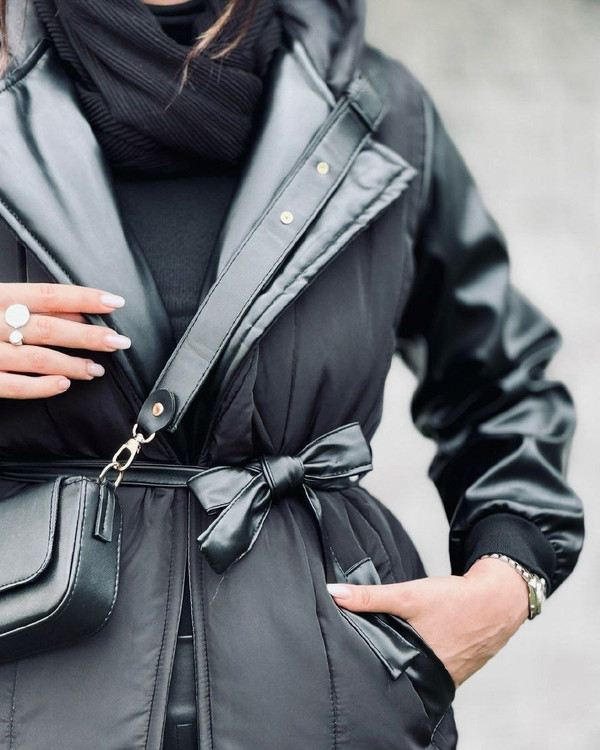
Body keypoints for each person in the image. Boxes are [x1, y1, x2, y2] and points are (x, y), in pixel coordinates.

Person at [0, 0, 584, 748]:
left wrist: (504, 584)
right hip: (28, 680)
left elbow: (501, 379)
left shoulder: (378, 108)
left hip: (329, 698)